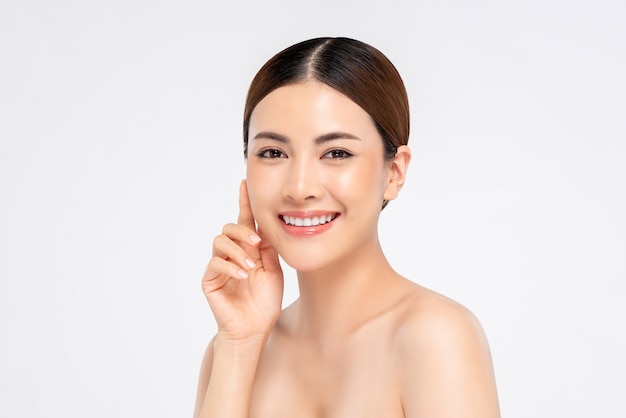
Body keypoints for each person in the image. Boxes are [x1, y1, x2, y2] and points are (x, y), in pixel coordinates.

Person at [193, 37, 500, 418]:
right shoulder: (231, 348)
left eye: (336, 153)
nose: (300, 188)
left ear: (394, 171)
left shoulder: (435, 337)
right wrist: (239, 345)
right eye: (273, 153)